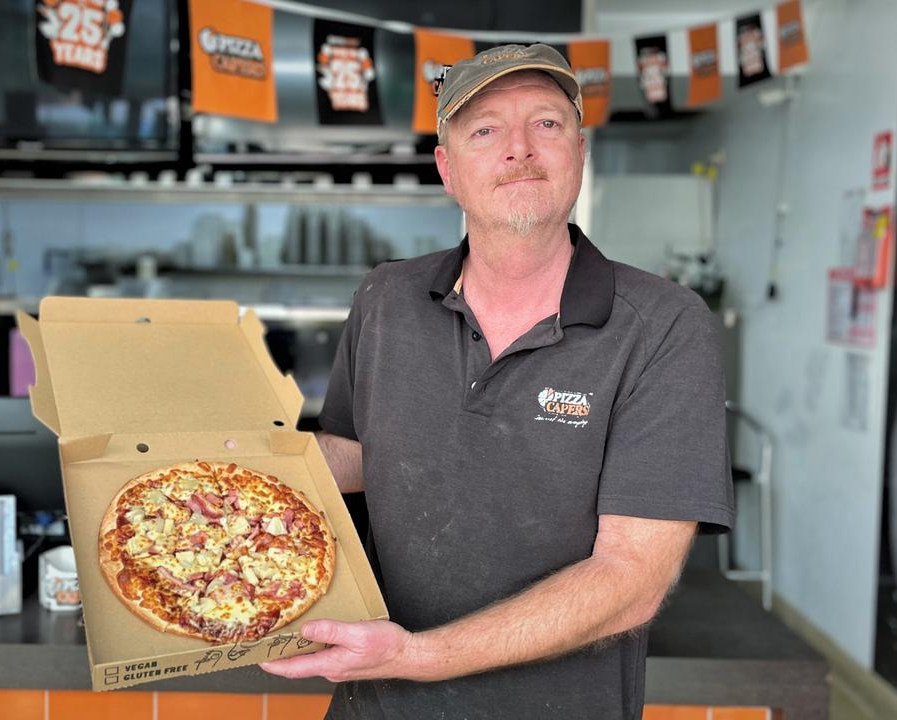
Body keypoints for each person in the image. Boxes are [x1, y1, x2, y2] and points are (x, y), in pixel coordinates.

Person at [260, 43, 735, 720]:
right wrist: (214, 461)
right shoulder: (387, 297)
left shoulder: (662, 326)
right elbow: (360, 456)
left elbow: (631, 581)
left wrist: (415, 657)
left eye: (546, 123)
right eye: (485, 129)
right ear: (448, 170)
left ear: (579, 150)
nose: (520, 148)